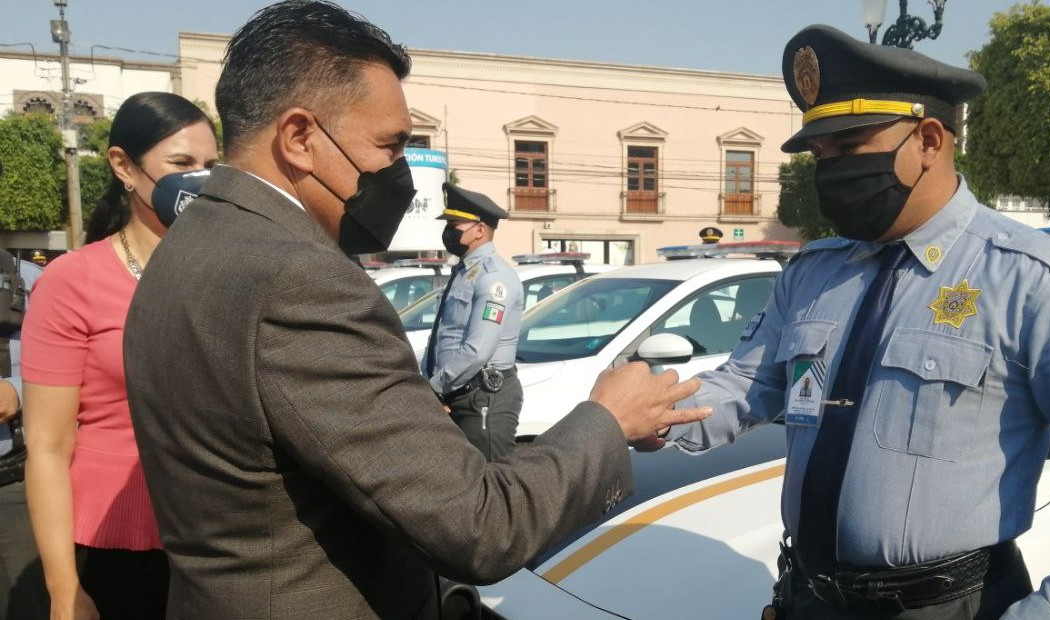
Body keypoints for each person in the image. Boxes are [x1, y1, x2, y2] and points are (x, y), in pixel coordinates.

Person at [120, 2, 707, 619]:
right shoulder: (297, 277)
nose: (400, 173)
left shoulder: (189, 242)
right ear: (299, 138)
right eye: (391, 145)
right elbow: (480, 525)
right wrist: (608, 420)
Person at [661, 25, 1050, 620]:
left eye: (850, 146)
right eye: (821, 155)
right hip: (808, 599)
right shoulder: (813, 273)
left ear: (930, 141)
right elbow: (745, 385)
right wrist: (644, 413)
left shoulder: (1038, 281)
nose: (830, 171)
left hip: (953, 606)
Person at [21, 91, 218, 620]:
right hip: (114, 549)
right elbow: (47, 447)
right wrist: (65, 593)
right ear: (123, 166)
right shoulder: (71, 282)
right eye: (181, 164)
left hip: (223, 543)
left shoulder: (230, 275)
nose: (199, 180)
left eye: (210, 167)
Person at [423, 183, 524, 460]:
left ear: (479, 230)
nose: (448, 231)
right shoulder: (465, 271)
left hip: (482, 397)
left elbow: (478, 349)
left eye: (455, 224)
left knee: (492, 480)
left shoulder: (494, 278)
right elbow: (444, 336)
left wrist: (434, 387)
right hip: (457, 392)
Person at [0, 246, 49, 620]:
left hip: (14, 480)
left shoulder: (33, 281)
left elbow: (78, 369)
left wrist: (16, 390)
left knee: (29, 604)